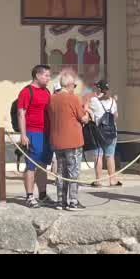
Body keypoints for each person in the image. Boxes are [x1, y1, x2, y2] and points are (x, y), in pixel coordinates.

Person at [46, 69, 89, 210]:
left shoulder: (52, 99)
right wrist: (87, 110)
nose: (74, 88)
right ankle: (73, 201)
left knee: (60, 171)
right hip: (73, 140)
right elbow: (83, 118)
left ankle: (60, 201)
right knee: (73, 171)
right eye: (74, 85)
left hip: (57, 140)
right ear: (69, 85)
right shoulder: (74, 98)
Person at [17, 64, 53, 208]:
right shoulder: (26, 92)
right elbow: (21, 113)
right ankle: (29, 196)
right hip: (33, 133)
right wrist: (23, 135)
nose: (48, 78)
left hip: (46, 133)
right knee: (31, 165)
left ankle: (43, 195)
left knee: (43, 166)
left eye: (49, 76)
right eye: (46, 75)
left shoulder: (47, 92)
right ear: (37, 75)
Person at [89, 80, 122, 187]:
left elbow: (85, 108)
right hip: (112, 132)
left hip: (99, 132)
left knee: (98, 156)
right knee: (110, 156)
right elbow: (116, 116)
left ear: (99, 89)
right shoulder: (113, 101)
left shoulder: (94, 101)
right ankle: (112, 180)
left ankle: (98, 180)